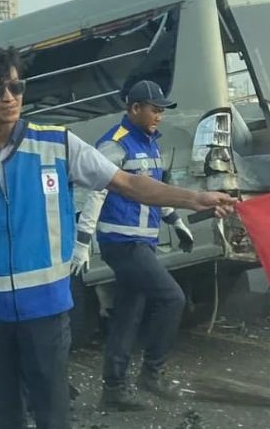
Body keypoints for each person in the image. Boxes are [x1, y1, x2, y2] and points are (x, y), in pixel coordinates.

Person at [0, 47, 234, 429]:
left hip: (48, 312)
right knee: (7, 421)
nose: (10, 97)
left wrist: (193, 198)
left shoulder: (57, 144)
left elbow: (127, 183)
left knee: (54, 423)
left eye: (16, 87)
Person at [74, 80, 196, 412]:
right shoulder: (116, 144)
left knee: (128, 314)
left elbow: (154, 190)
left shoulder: (150, 144)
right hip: (121, 242)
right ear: (134, 109)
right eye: (154, 109)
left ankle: (113, 390)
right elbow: (94, 192)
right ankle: (152, 373)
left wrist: (176, 222)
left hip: (142, 241)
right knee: (172, 298)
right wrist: (83, 241)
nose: (159, 116)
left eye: (161, 110)